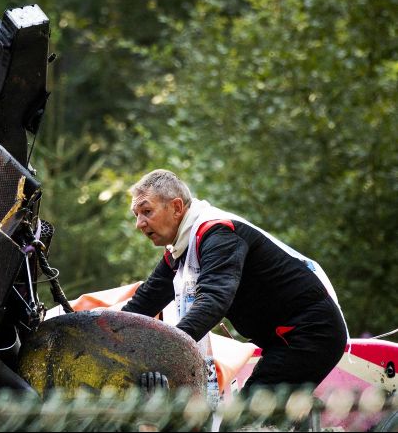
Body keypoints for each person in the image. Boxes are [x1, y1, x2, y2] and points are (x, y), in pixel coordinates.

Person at [121, 169, 348, 394]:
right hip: (288, 338)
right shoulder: (181, 248)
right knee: (256, 420)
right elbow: (144, 303)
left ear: (177, 207)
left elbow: (212, 301)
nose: (139, 223)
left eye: (146, 211)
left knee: (248, 421)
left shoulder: (219, 234)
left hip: (312, 332)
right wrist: (104, 335)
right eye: (136, 215)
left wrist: (165, 357)